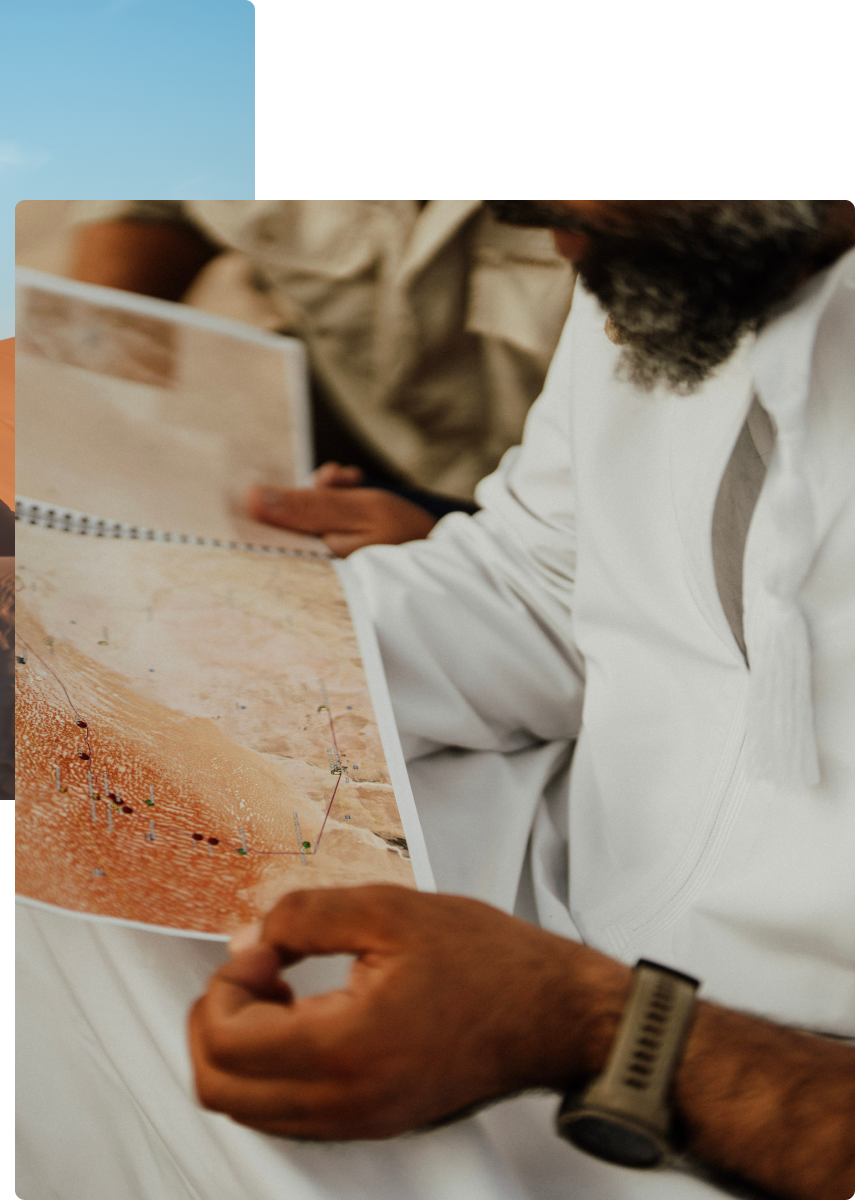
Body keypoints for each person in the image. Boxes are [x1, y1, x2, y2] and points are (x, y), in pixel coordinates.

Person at [187, 200, 855, 1200]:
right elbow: (543, 581)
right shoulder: (667, 243)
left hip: (752, 1093)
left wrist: (598, 1027)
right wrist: (169, 645)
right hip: (538, 886)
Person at [68, 200, 576, 553]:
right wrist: (95, 362)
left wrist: (459, 549)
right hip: (355, 414)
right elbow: (155, 196)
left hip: (575, 516)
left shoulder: (628, 230)